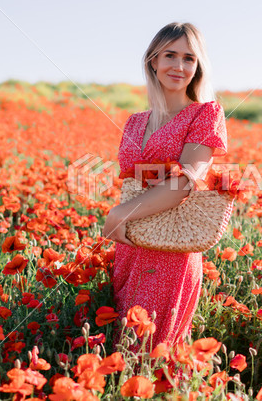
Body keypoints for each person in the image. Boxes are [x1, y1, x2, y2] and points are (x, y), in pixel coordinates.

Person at [102, 22, 227, 351]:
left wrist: (119, 213)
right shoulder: (135, 121)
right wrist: (124, 219)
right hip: (130, 244)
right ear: (153, 61)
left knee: (152, 353)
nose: (179, 66)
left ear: (198, 67)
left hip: (172, 248)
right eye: (170, 55)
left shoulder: (205, 114)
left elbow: (186, 182)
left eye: (189, 58)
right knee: (119, 349)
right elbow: (131, 180)